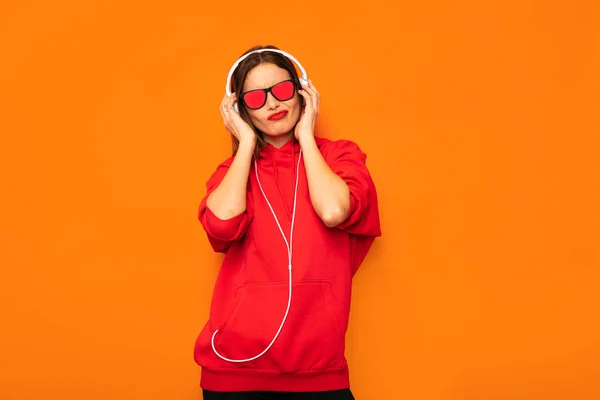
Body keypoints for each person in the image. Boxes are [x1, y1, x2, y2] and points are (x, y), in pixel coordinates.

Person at [193, 45, 381, 400]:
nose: (272, 104)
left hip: (318, 368)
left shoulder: (340, 157)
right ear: (239, 108)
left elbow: (333, 211)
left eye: (282, 90)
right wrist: (246, 142)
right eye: (255, 98)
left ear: (302, 91)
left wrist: (306, 136)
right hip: (233, 370)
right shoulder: (232, 173)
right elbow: (220, 226)